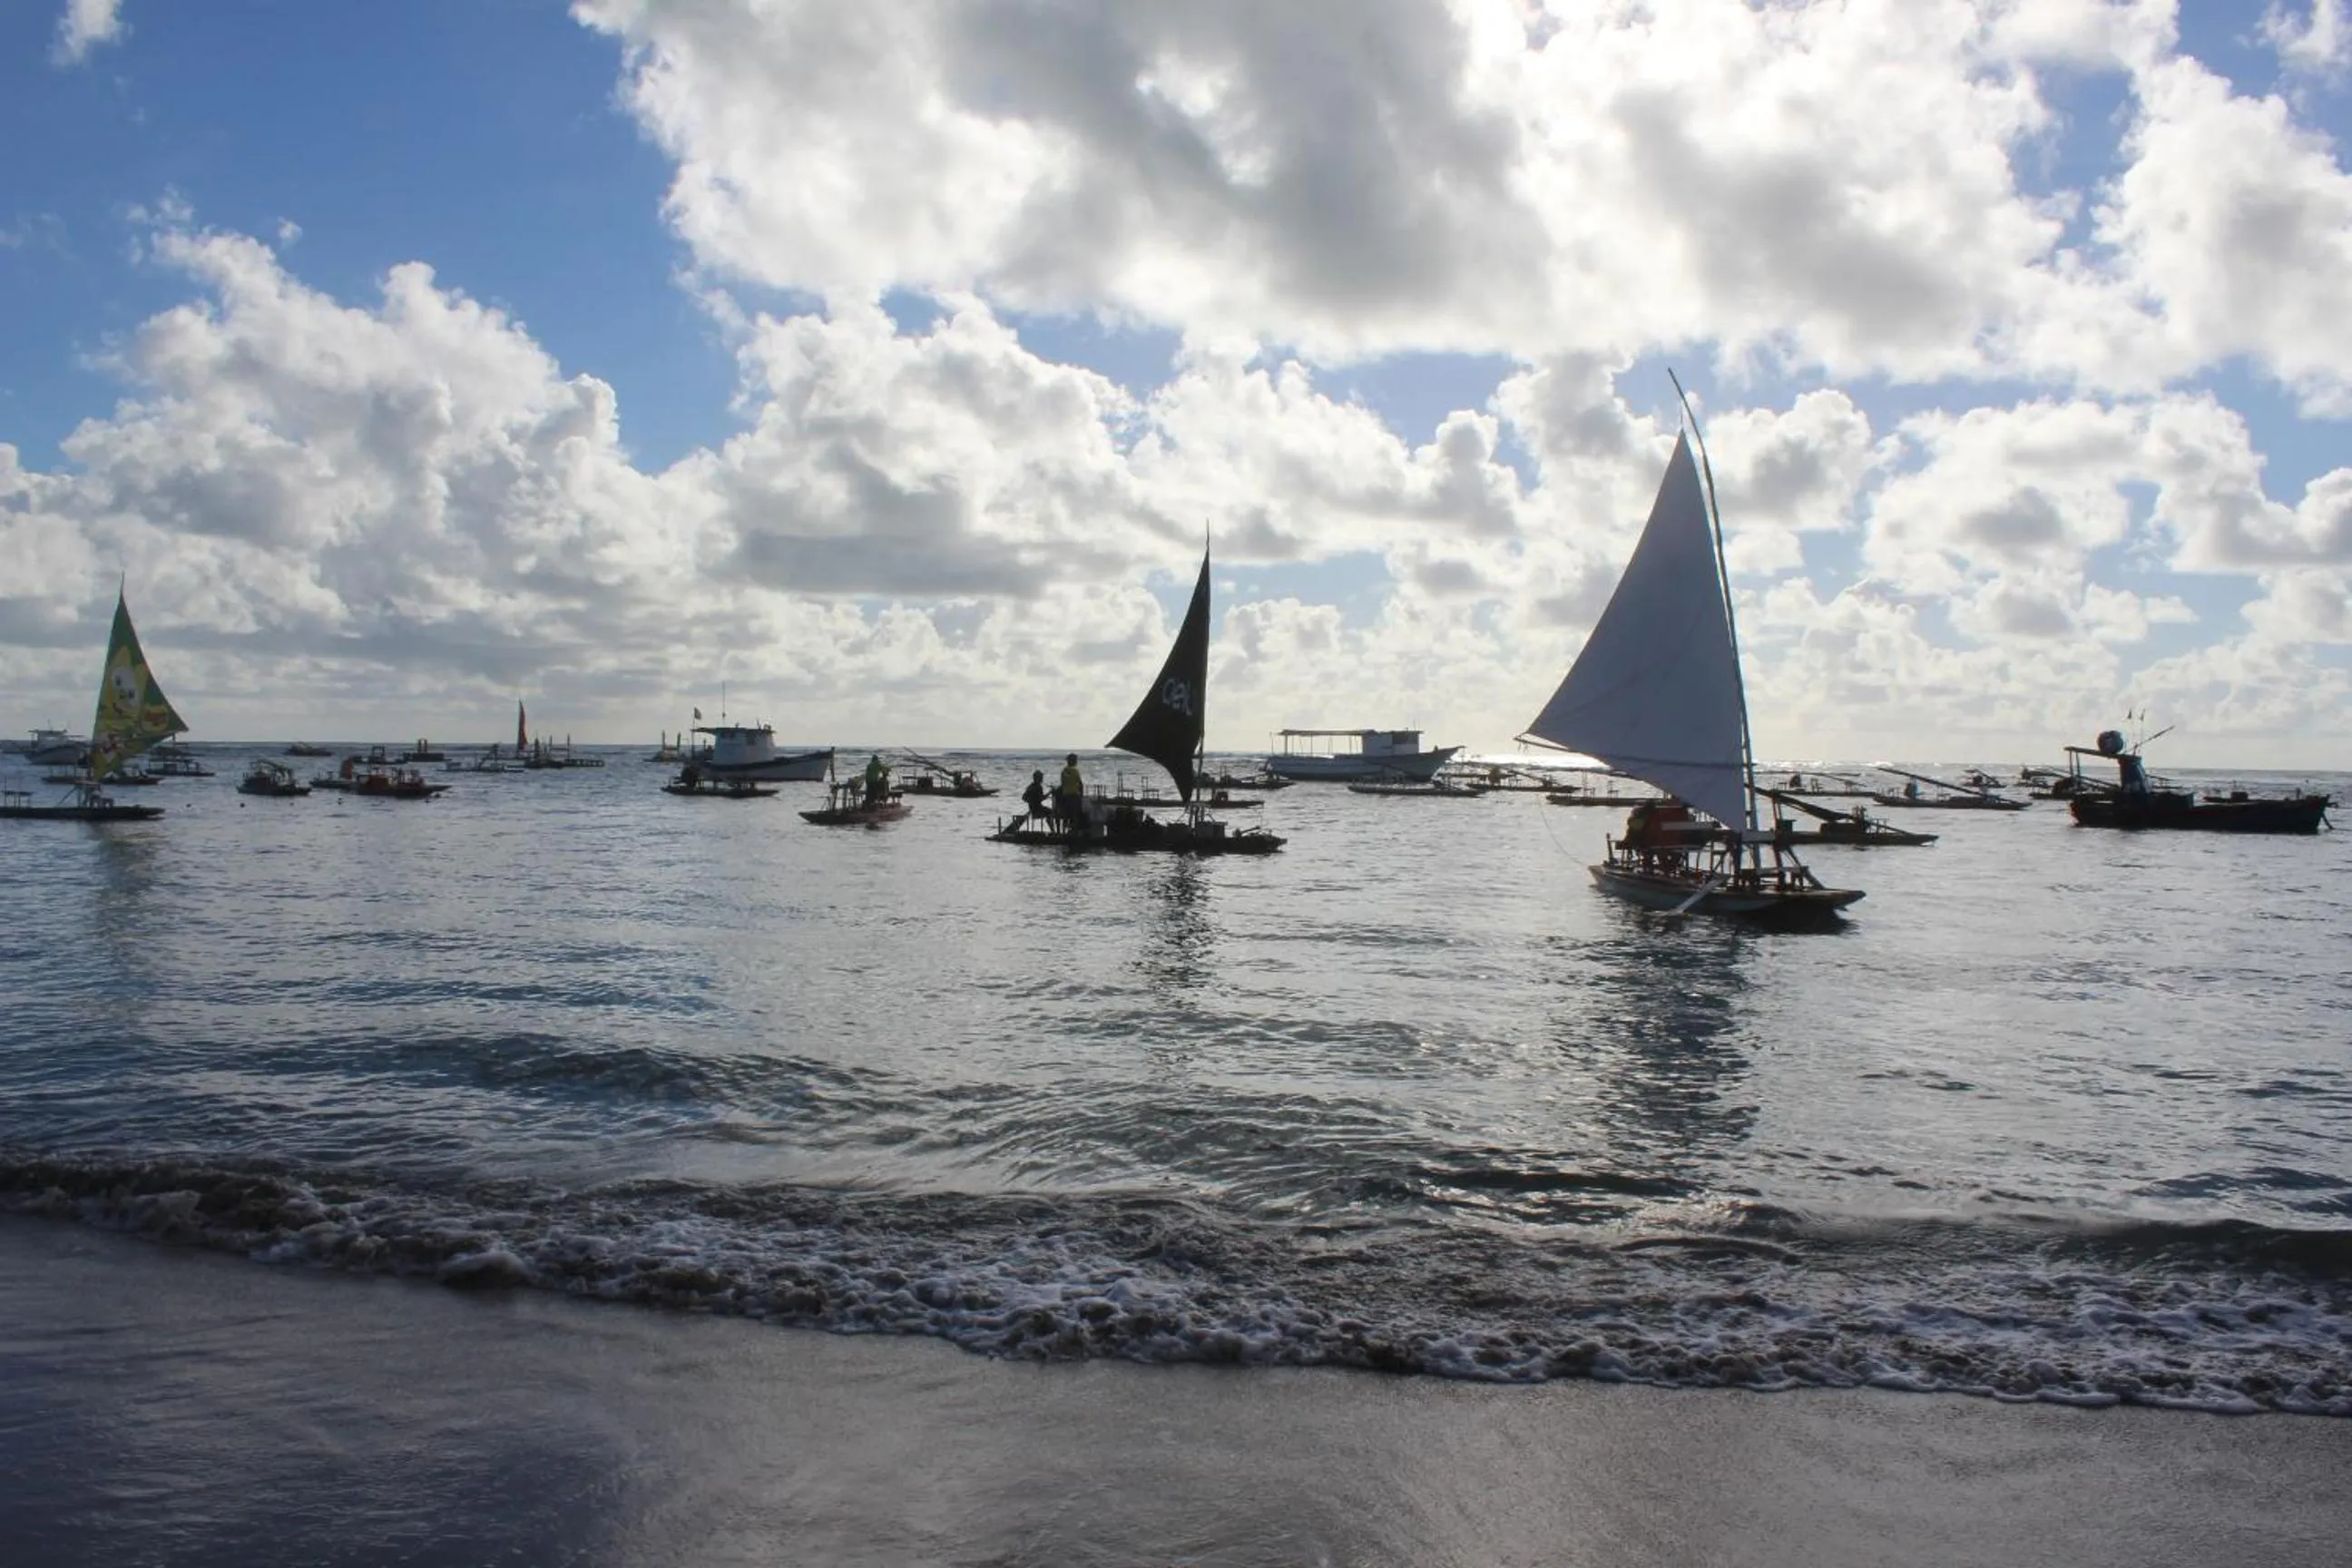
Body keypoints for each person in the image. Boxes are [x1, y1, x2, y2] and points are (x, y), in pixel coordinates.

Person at [1054, 753, 1084, 825]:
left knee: (1066, 815)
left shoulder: (1063, 771)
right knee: (1075, 816)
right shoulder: (1075, 771)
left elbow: (1063, 784)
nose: (1076, 762)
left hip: (1065, 796)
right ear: (1073, 761)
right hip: (1074, 796)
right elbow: (1080, 784)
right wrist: (1081, 795)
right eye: (1075, 760)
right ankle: (1075, 832)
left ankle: (1064, 831)